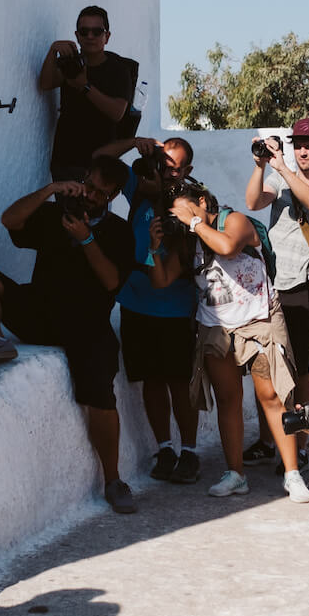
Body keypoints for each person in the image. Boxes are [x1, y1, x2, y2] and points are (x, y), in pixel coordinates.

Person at [0, 157, 138, 514]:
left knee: (101, 397)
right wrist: (51, 191)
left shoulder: (120, 231)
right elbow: (9, 220)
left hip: (87, 324)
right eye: (88, 185)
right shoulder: (57, 213)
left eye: (99, 192)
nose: (89, 195)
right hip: (41, 309)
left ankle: (113, 480)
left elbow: (111, 282)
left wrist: (86, 238)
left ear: (113, 195)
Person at [151, 181, 301, 500]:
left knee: (271, 395)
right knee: (227, 398)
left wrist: (193, 221)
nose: (182, 218)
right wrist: (155, 247)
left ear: (203, 201)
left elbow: (228, 247)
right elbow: (163, 279)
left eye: (186, 208)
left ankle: (292, 473)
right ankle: (236, 474)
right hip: (215, 324)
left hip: (259, 317)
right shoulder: (189, 239)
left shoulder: (234, 221)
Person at [96, 135, 201, 484]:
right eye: (162, 162)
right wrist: (133, 143)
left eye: (173, 166)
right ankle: (165, 448)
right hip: (136, 302)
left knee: (178, 381)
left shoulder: (189, 202)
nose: (165, 170)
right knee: (152, 381)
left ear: (186, 170)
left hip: (174, 305)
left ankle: (189, 452)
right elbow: (100, 158)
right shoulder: (139, 190)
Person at [246, 119, 309, 456]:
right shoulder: (278, 176)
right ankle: (269, 439)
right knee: (266, 368)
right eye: (298, 143)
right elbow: (253, 202)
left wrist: (283, 167)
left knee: (297, 368)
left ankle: (300, 442)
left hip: (305, 284)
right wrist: (260, 167)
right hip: (272, 283)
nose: (302, 150)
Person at [38, 6, 135, 181]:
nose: (90, 36)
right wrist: (53, 52)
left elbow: (117, 113)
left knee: (94, 208)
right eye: (84, 31)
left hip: (100, 164)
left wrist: (85, 87)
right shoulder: (71, 63)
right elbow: (45, 84)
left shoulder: (119, 69)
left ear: (107, 36)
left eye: (97, 31)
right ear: (77, 36)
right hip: (66, 160)